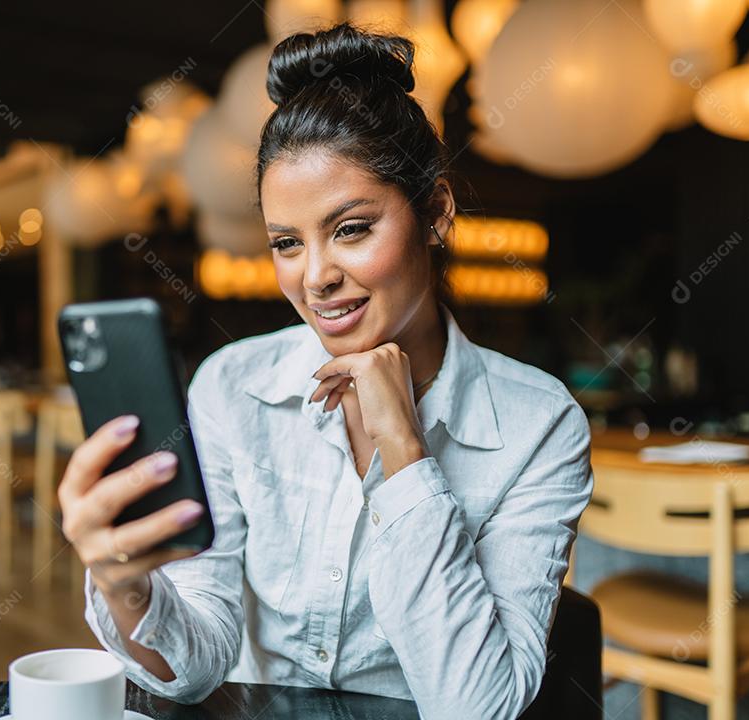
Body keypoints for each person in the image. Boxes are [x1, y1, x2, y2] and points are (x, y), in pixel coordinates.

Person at [59, 23, 594, 720]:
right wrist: (125, 583)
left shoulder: (539, 424)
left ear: (434, 212)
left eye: (350, 229)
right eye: (286, 242)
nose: (315, 279)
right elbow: (193, 671)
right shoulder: (232, 386)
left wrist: (404, 453)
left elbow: (476, 709)